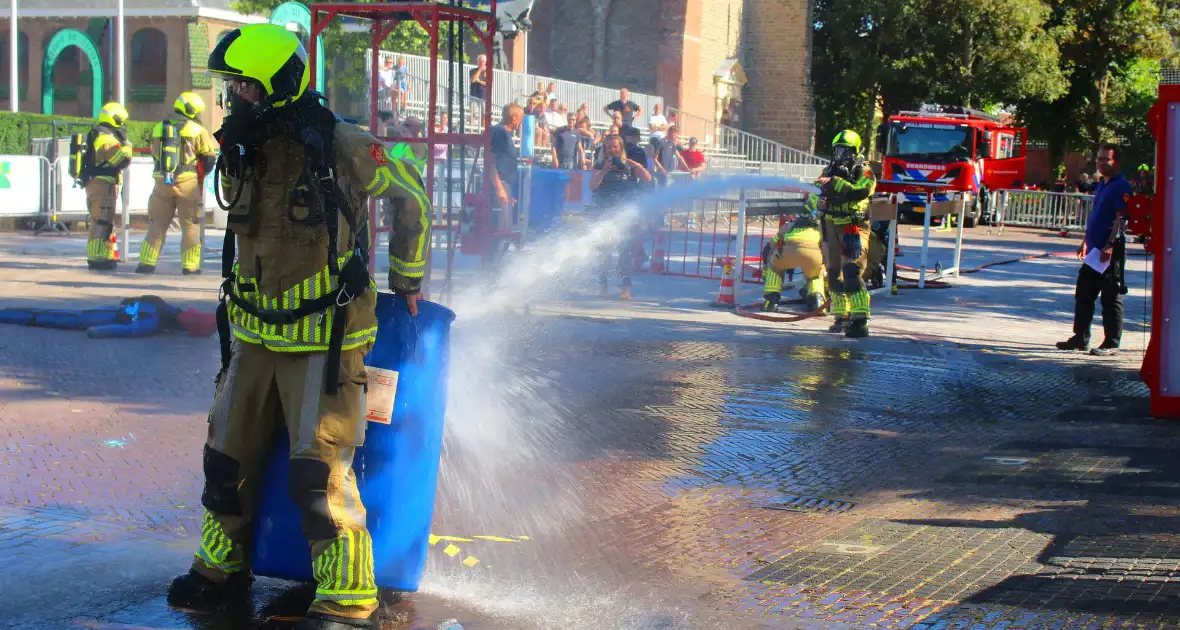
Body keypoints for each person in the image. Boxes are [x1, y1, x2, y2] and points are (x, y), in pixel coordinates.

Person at [165, 24, 432, 630]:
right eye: (232, 88)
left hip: (324, 339)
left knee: (317, 473)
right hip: (254, 335)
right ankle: (219, 573)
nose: (236, 100)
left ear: (281, 85)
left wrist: (407, 281)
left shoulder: (340, 143)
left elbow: (411, 193)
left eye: (246, 89)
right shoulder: (241, 142)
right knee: (224, 458)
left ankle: (345, 595)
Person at [1056, 144, 1131, 356]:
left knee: (1111, 297)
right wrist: (1085, 241)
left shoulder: (1121, 186)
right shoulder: (1102, 184)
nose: (1100, 162)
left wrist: (1111, 244)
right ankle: (1080, 338)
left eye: (1106, 159)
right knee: (1083, 294)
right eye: (1099, 158)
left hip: (1109, 251)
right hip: (1094, 252)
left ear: (1116, 161)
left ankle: (1111, 342)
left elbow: (1122, 219)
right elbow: (1097, 216)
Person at [136, 92, 218, 275]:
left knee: (157, 224)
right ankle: (190, 266)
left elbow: (155, 153)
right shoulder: (197, 130)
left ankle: (146, 263)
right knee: (190, 225)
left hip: (162, 182)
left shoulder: (159, 127)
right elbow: (209, 158)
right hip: (187, 184)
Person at [818, 130, 876, 338]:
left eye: (846, 150)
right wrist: (821, 198)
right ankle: (840, 316)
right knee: (833, 274)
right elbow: (819, 190)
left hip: (853, 226)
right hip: (830, 226)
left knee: (851, 271)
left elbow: (862, 190)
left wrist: (839, 183)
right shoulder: (828, 170)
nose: (841, 154)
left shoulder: (865, 171)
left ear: (856, 151)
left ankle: (860, 320)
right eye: (838, 149)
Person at [589, 134, 652, 300]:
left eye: (615, 147)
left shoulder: (629, 166)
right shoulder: (600, 164)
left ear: (621, 148)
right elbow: (592, 186)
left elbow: (648, 179)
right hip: (604, 215)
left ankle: (625, 288)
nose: (612, 150)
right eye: (609, 147)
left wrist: (637, 165)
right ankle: (603, 286)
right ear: (605, 149)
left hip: (624, 216)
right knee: (603, 253)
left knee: (625, 253)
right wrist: (604, 169)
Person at [82, 102, 134, 272]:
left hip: (101, 184)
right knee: (101, 221)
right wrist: (127, 147)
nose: (123, 125)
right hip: (102, 185)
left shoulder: (102, 134)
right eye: (121, 121)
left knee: (104, 221)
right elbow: (120, 160)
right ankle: (97, 258)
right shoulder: (105, 138)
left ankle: (105, 255)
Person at [762, 194, 825, 313]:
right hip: (812, 254)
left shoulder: (789, 225)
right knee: (815, 274)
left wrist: (765, 270)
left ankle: (771, 302)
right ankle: (817, 302)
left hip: (785, 254)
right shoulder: (823, 228)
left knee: (775, 269)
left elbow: (768, 248)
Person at [490, 103, 524, 230]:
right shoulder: (500, 132)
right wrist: (500, 189)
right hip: (498, 185)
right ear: (514, 117)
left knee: (505, 229)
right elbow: (490, 162)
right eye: (521, 118)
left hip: (503, 185)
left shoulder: (504, 133)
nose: (521, 122)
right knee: (500, 231)